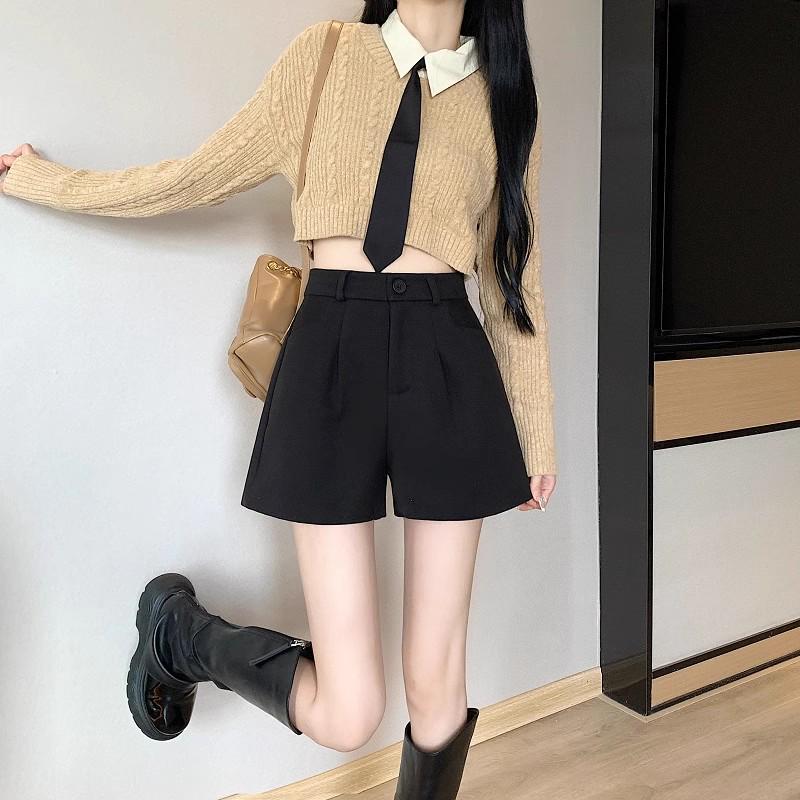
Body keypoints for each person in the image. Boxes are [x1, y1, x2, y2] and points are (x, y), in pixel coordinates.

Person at [1, 2, 557, 797]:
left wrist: (535, 433)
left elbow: (514, 281)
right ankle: (181, 636)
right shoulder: (325, 57)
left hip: (447, 364)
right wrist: (41, 180)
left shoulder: (502, 97)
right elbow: (196, 174)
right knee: (349, 712)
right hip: (331, 351)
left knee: (438, 688)